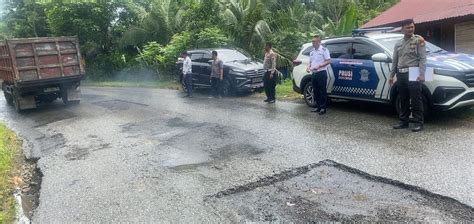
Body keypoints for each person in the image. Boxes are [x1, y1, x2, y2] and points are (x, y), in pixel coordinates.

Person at [389, 19, 427, 132]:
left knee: (416, 99)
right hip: (401, 73)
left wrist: (422, 74)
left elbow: (423, 59)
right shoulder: (398, 43)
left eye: (412, 27)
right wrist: (391, 76)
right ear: (402, 29)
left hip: (414, 72)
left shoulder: (419, 40)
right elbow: (395, 61)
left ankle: (418, 122)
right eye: (408, 27)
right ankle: (403, 121)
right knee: (403, 98)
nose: (411, 29)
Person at [306, 35, 331, 115]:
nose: (313, 43)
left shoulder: (324, 50)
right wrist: (308, 67)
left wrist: (320, 65)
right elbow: (310, 62)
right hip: (314, 73)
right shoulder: (312, 52)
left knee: (322, 91)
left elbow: (328, 61)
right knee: (315, 90)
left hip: (321, 73)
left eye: (314, 41)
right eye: (312, 41)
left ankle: (323, 108)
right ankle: (318, 106)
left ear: (319, 42)